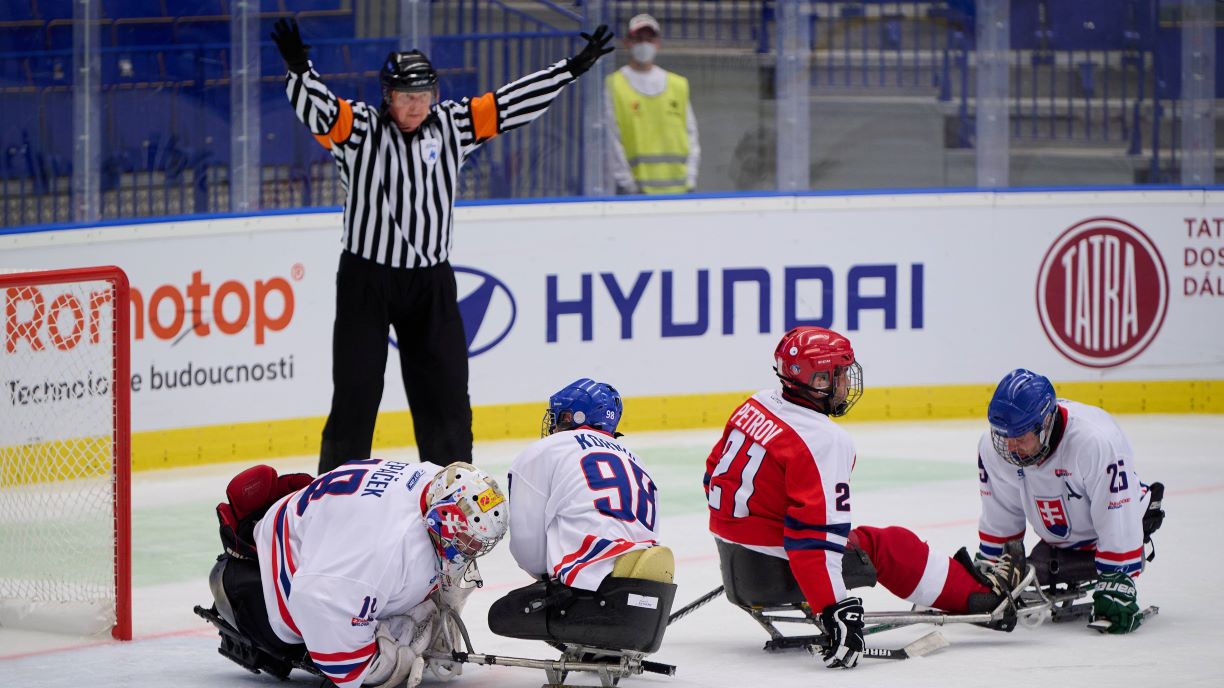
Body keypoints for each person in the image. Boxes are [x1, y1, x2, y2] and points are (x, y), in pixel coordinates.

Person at [268, 19, 615, 473]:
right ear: (387, 96)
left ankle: (455, 490)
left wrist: (568, 70)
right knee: (356, 390)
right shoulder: (359, 130)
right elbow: (321, 112)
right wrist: (299, 68)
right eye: (406, 97)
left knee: (447, 393)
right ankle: (335, 493)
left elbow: (509, 104)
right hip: (366, 279)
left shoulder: (451, 124)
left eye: (423, 96)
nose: (416, 106)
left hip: (430, 281)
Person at [706, 327, 1026, 670]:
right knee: (888, 545)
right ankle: (980, 596)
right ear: (818, 381)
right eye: (840, 373)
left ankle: (959, 582)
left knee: (854, 535)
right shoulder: (823, 441)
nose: (846, 381)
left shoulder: (755, 404)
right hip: (779, 568)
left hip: (737, 555)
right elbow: (812, 542)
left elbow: (712, 475)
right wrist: (833, 610)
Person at [203, 460, 508, 688]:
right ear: (441, 519)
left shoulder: (436, 479)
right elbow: (316, 604)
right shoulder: (380, 551)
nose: (471, 550)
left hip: (317, 528)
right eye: (468, 541)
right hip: (276, 584)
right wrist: (380, 667)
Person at [488, 378, 676, 656]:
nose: (552, 424)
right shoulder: (638, 461)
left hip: (589, 598)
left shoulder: (544, 451)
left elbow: (528, 546)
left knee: (502, 614)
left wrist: (547, 583)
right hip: (647, 601)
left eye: (558, 416)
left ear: (573, 416)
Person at [977, 368, 1162, 634]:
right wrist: (991, 566)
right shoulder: (996, 449)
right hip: (1059, 540)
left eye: (1019, 438)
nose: (1010, 448)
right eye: (1003, 437)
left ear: (1046, 424)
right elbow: (1000, 512)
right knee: (1032, 569)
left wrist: (1119, 576)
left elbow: (1117, 511)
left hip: (1119, 525)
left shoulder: (1095, 441)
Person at [605, 13, 700, 195]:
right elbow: (611, 140)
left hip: (680, 189)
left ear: (657, 43)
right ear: (627, 43)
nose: (644, 44)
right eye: (638, 39)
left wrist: (690, 178)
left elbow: (691, 135)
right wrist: (627, 184)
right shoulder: (614, 85)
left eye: (650, 39)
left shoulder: (677, 84)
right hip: (636, 192)